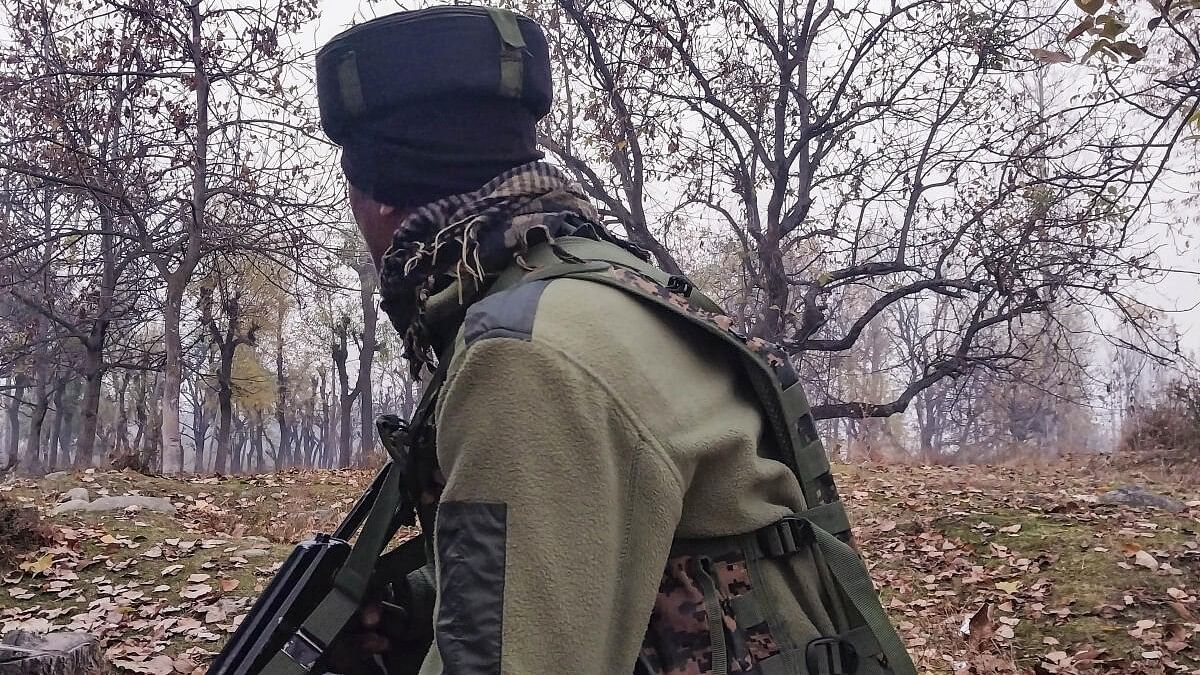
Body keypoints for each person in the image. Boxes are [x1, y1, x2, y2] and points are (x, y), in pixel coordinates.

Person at [314, 5, 916, 675]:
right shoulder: (612, 285)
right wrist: (415, 610)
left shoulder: (521, 356)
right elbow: (628, 544)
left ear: (380, 201)